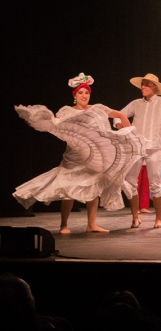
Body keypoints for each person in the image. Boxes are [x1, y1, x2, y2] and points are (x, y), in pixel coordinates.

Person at [14, 73, 139, 234]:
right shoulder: (67, 111)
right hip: (74, 156)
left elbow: (121, 115)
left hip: (94, 156)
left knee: (94, 185)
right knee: (68, 188)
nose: (84, 95)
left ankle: (91, 224)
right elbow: (55, 123)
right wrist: (38, 121)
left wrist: (128, 132)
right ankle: (64, 225)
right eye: (80, 92)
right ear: (75, 95)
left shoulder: (97, 109)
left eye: (86, 92)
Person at [118, 73, 161, 229]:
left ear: (155, 88)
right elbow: (119, 115)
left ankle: (159, 219)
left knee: (155, 183)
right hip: (137, 148)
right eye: (142, 84)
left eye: (147, 84)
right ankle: (135, 217)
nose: (143, 87)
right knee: (131, 182)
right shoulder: (136, 103)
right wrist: (120, 125)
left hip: (154, 149)